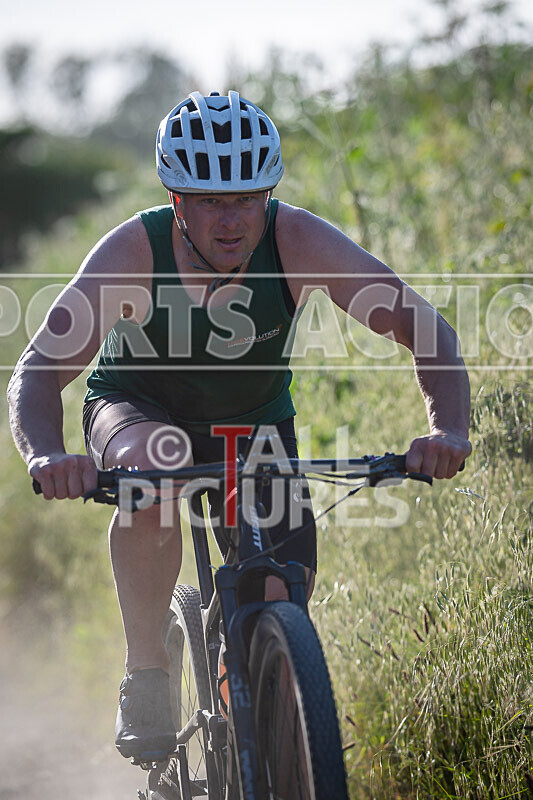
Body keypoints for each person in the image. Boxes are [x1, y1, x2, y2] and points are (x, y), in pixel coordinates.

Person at [7, 90, 471, 762]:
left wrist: (447, 430)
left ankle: (258, 738)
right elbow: (38, 369)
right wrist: (49, 453)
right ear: (177, 203)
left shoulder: (296, 239)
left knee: (280, 588)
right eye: (209, 201)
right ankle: (146, 673)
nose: (231, 221)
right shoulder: (134, 251)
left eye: (246, 199)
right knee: (155, 471)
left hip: (251, 429)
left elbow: (423, 328)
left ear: (267, 196)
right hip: (138, 409)